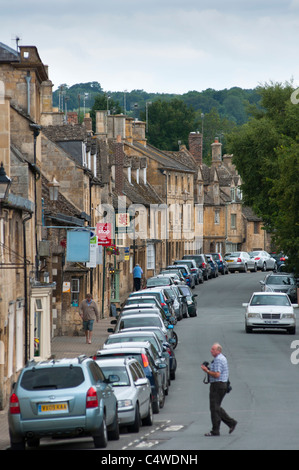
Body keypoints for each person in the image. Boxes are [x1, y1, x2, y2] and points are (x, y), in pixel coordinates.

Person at [201, 343, 237, 436]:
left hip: (218, 385)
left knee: (215, 407)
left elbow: (217, 375)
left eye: (213, 349)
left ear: (218, 350)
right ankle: (216, 429)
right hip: (220, 385)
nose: (211, 351)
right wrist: (208, 369)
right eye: (211, 349)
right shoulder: (220, 358)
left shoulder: (218, 360)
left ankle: (230, 423)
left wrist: (207, 371)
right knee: (215, 407)